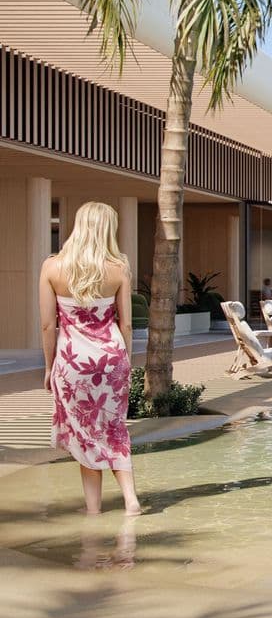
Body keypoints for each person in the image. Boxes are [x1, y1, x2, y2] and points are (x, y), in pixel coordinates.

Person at [39, 202, 141, 517]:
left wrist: (48, 366)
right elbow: (125, 323)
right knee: (113, 429)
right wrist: (126, 359)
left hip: (73, 364)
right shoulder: (118, 268)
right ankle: (131, 500)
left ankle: (94, 510)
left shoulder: (52, 267)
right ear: (108, 230)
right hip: (111, 360)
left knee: (85, 433)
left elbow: (47, 325)